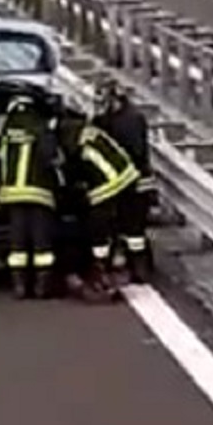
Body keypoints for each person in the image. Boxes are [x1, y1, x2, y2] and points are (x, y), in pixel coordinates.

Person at [59, 117, 140, 298]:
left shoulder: (75, 143)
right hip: (129, 176)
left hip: (110, 183)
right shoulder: (92, 132)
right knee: (124, 225)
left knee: (96, 225)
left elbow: (73, 170)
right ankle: (127, 264)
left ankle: (100, 267)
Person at [0, 94, 61, 299]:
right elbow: (51, 155)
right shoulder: (39, 125)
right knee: (41, 244)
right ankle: (42, 287)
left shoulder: (7, 128)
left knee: (18, 244)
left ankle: (20, 287)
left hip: (13, 193)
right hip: (38, 192)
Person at [92, 79, 153, 282]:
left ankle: (113, 268)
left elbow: (133, 153)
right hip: (133, 182)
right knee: (134, 231)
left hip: (127, 182)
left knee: (128, 228)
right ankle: (138, 268)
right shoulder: (135, 118)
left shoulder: (117, 122)